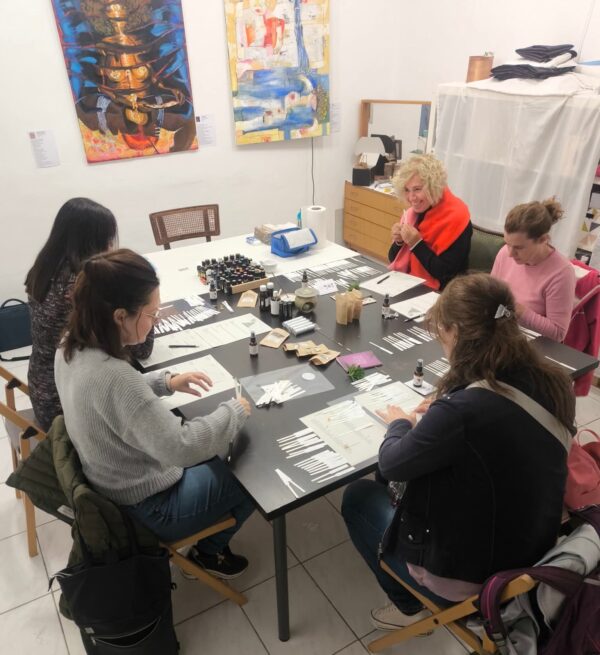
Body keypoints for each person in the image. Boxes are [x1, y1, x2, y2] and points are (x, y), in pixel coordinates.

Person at [342, 273, 575, 631]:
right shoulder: (553, 380)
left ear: (454, 332)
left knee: (358, 495)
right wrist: (452, 400)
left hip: (472, 580)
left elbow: (391, 463)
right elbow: (501, 425)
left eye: (441, 334)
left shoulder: (462, 412)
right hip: (534, 553)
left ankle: (408, 606)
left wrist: (400, 423)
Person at [54, 249, 254, 578]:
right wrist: (234, 411)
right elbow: (182, 447)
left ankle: (209, 544)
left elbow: (106, 397)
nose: (156, 320)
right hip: (152, 507)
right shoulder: (116, 377)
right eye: (151, 313)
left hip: (111, 484)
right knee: (250, 471)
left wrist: (165, 382)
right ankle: (209, 553)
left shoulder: (70, 346)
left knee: (220, 448)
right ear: (120, 316)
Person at [25, 197, 153, 431]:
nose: (111, 246)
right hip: (68, 409)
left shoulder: (44, 269)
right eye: (108, 239)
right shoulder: (83, 286)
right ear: (93, 243)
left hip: (43, 387)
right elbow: (142, 350)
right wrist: (146, 308)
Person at [491, 198, 576, 341]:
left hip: (529, 343)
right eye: (507, 243)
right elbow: (491, 292)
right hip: (501, 332)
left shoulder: (561, 273)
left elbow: (558, 333)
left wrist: (517, 310)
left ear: (543, 239)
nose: (510, 254)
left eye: (519, 247)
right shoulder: (505, 252)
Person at [388, 154, 472, 290]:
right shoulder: (413, 213)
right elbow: (393, 258)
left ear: (434, 187)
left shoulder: (457, 217)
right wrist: (399, 242)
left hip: (444, 293)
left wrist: (416, 244)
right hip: (410, 284)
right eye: (407, 190)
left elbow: (446, 274)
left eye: (417, 189)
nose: (411, 198)